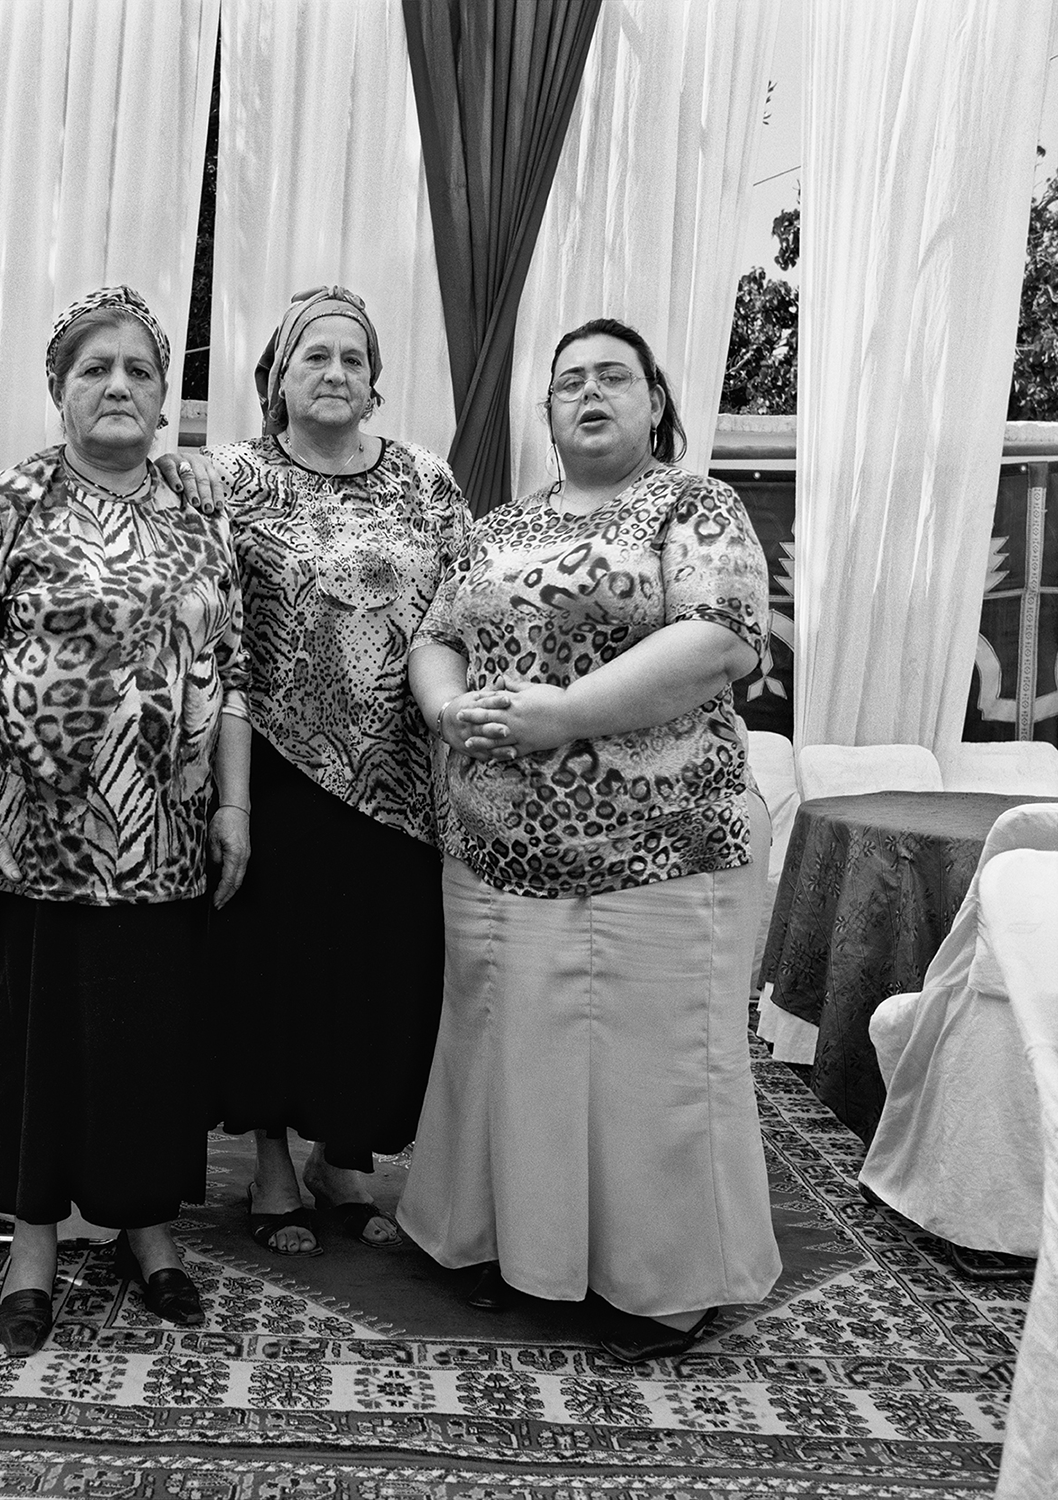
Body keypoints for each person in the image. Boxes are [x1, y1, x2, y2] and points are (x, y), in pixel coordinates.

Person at [398, 316, 781, 1362]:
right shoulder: (496, 528)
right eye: (569, 382)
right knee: (509, 1057)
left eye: (615, 377)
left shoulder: (695, 507)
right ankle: (506, 1248)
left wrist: (563, 714)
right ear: (548, 412)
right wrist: (443, 711)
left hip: (655, 845)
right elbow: (435, 638)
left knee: (652, 1069)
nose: (590, 394)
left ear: (655, 402)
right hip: (493, 851)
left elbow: (717, 642)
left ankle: (659, 1282)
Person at [0, 285, 251, 1356]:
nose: (118, 385)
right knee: (41, 1045)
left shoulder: (200, 509)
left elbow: (232, 672)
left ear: (163, 400)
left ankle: (149, 1231)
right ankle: (31, 1245)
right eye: (94, 368)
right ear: (58, 388)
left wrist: (234, 803)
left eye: (139, 371)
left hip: (166, 837)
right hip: (37, 836)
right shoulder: (7, 501)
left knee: (152, 1042)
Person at [201, 286, 470, 1256]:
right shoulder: (230, 479)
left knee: (379, 975)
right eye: (314, 355)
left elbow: (465, 612)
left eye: (353, 358)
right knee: (274, 975)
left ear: (375, 383)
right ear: (276, 377)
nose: (334, 371)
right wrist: (224, 795)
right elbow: (213, 641)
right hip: (273, 771)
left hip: (403, 778)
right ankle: (273, 1165)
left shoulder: (425, 482)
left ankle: (343, 1158)